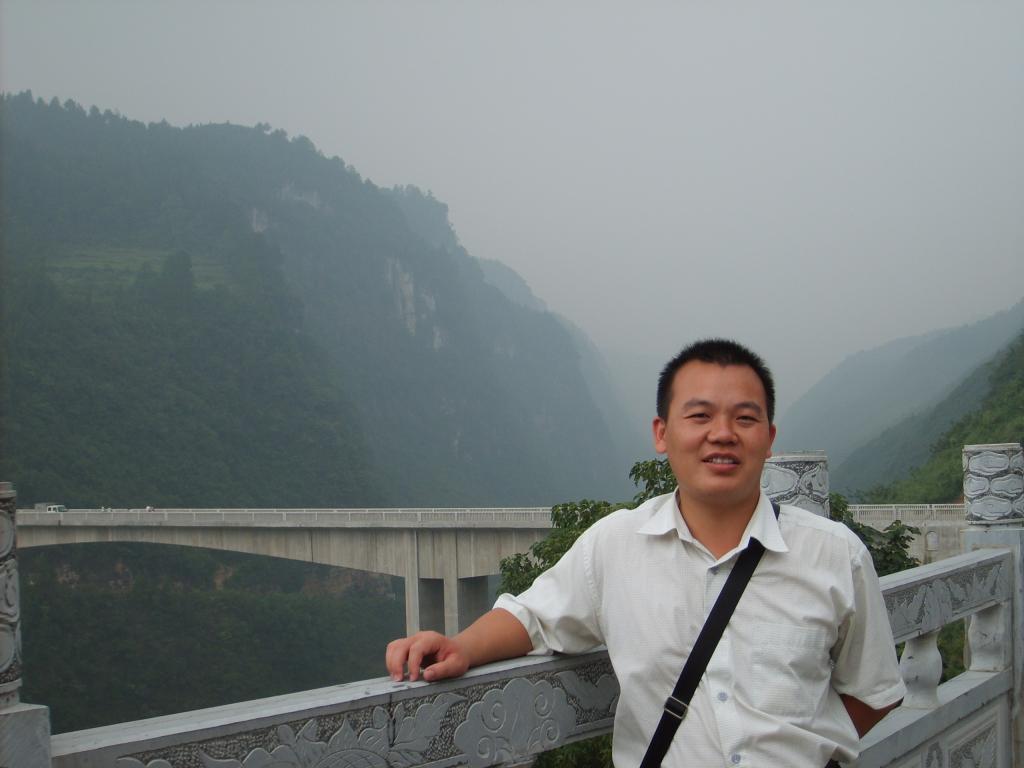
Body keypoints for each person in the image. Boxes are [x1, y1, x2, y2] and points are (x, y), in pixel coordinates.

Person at [386, 339, 905, 767]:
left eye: (745, 419)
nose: (722, 434)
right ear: (662, 433)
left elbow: (875, 690)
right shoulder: (615, 545)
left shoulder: (834, 555)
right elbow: (533, 617)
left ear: (769, 439)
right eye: (699, 415)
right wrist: (461, 646)